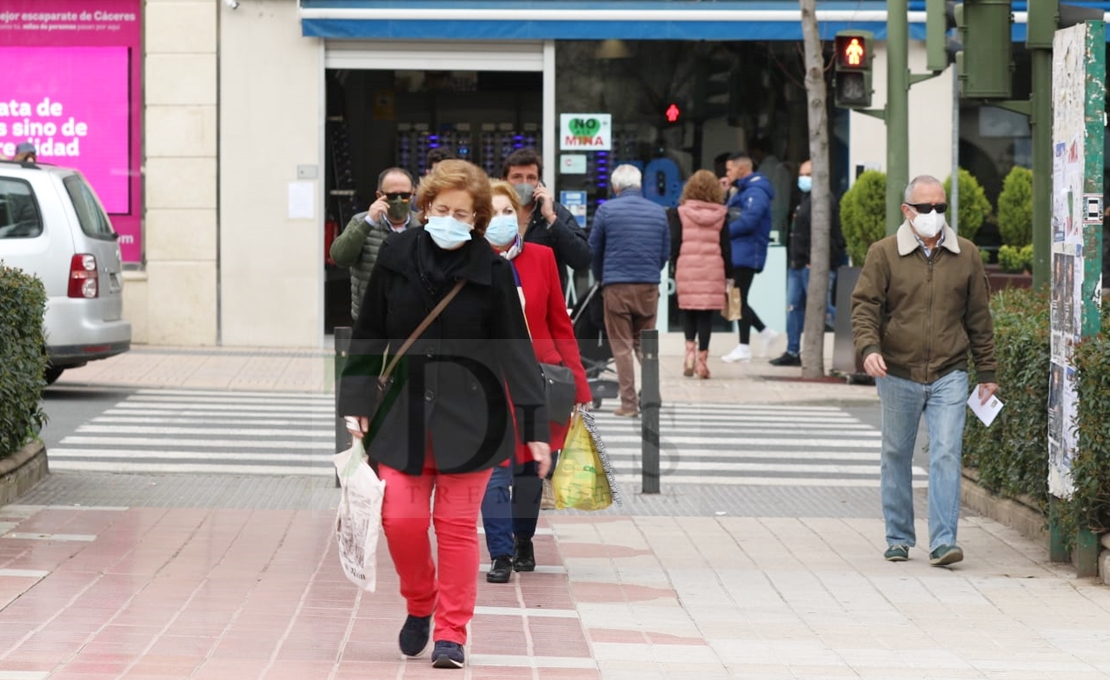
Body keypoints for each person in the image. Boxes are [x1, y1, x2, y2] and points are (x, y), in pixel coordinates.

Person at [339, 159, 551, 669]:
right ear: (426, 206)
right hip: (403, 415)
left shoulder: (493, 270)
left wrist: (536, 428)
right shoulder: (395, 254)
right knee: (402, 522)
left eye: (463, 212)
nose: (451, 218)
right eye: (442, 208)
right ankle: (420, 603)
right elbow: (370, 331)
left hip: (474, 420)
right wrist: (356, 401)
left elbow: (516, 351)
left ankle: (452, 632)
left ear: (476, 218)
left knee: (455, 530)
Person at [851, 174, 998, 567]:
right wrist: (869, 348)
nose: (934, 215)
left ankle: (943, 542)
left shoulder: (965, 254)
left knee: (947, 452)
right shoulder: (883, 253)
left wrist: (988, 372)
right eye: (925, 208)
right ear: (907, 211)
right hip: (898, 370)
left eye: (940, 207)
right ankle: (898, 537)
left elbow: (979, 318)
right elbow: (864, 306)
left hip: (950, 371)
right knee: (896, 453)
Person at [479, 180, 591, 584]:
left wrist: (580, 385)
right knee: (495, 468)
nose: (502, 220)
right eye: (492, 213)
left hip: (541, 379)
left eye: (508, 211)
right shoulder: (470, 261)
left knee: (532, 470)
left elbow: (560, 325)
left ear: (522, 215)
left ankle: (523, 538)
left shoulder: (543, 258)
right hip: (490, 381)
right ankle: (500, 552)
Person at [588, 164, 669, 417]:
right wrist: (650, 274)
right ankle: (652, 397)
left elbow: (594, 250)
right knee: (645, 345)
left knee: (621, 346)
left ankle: (629, 404)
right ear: (639, 184)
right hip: (648, 287)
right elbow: (664, 252)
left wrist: (602, 279)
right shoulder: (658, 212)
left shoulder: (606, 210)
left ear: (615, 187)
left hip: (617, 286)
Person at [770, 160, 846, 367]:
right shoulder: (805, 199)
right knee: (793, 308)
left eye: (808, 174)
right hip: (798, 264)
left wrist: (817, 261)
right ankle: (792, 351)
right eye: (802, 174)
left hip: (812, 265)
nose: (803, 178)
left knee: (825, 309)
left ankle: (853, 341)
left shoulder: (824, 200)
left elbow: (830, 235)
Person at [329, 167, 415, 322]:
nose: (398, 201)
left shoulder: (422, 225)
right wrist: (368, 222)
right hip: (369, 321)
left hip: (411, 320)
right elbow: (340, 257)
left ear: (413, 194)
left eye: (404, 195)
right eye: (392, 195)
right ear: (379, 196)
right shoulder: (361, 221)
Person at [501, 148, 591, 294]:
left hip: (543, 303)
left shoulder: (555, 212)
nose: (524, 184)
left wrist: (551, 218)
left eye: (531, 178)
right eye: (517, 177)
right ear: (504, 180)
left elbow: (582, 259)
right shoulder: (492, 213)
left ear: (539, 183)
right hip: (502, 300)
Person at [720, 152, 778, 363]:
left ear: (741, 169)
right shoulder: (742, 190)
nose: (727, 174)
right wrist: (727, 194)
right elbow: (729, 213)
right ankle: (763, 333)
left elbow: (749, 221)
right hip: (739, 252)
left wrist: (724, 232)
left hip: (746, 253)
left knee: (738, 299)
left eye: (729, 169)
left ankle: (745, 346)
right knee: (736, 299)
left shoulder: (756, 191)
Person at [672, 169, 728, 379]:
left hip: (687, 265)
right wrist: (728, 273)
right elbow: (726, 247)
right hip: (713, 267)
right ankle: (702, 362)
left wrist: (674, 265)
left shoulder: (681, 212)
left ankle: (689, 355)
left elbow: (675, 242)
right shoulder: (722, 214)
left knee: (689, 312)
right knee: (706, 316)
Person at [750, 137, 792, 239]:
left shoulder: (763, 170)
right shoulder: (782, 169)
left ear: (758, 151)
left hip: (768, 216)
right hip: (782, 214)